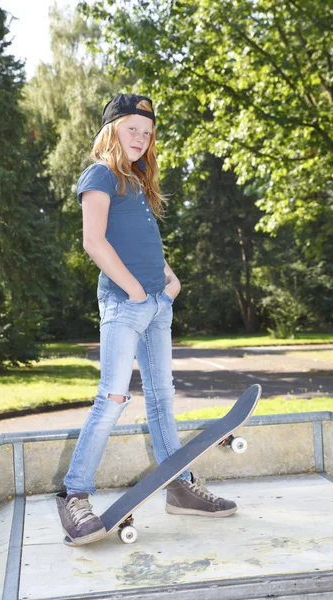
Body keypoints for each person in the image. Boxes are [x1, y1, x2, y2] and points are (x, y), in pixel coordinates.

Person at [56, 93, 237, 546]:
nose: (140, 137)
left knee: (161, 399)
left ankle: (179, 486)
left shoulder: (138, 183)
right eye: (132, 127)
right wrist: (136, 291)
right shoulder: (99, 174)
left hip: (157, 305)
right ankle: (75, 494)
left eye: (147, 131)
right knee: (112, 399)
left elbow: (147, 246)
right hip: (124, 304)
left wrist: (168, 284)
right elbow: (94, 242)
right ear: (111, 130)